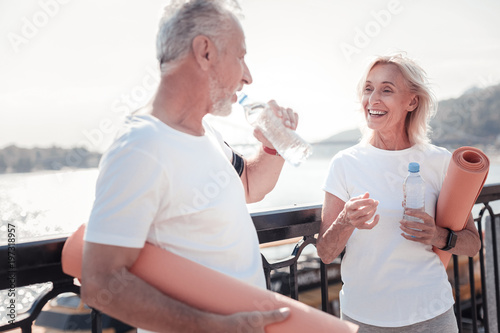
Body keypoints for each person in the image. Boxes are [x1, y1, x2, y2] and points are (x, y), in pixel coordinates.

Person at [80, 1, 296, 332]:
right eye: (240, 56)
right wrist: (212, 326)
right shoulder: (141, 146)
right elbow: (100, 282)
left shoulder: (205, 132)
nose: (248, 76)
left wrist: (275, 145)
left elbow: (250, 185)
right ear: (205, 52)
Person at [316, 53, 481, 332]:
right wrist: (345, 221)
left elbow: (473, 244)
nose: (373, 99)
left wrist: (438, 235)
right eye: (368, 88)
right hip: (364, 320)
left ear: (412, 101)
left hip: (432, 316)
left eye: (387, 90)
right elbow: (325, 252)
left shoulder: (439, 161)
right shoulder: (345, 163)